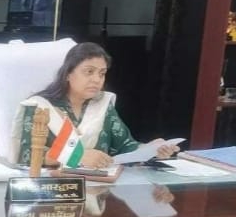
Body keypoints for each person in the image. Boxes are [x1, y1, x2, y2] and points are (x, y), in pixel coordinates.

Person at [15, 42, 179, 169]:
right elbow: (27, 155)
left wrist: (151, 150)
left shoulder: (102, 105)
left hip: (98, 188)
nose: (96, 79)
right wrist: (77, 157)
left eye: (102, 73)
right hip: (53, 188)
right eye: (89, 72)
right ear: (68, 74)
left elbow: (125, 147)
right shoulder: (40, 107)